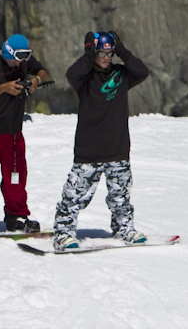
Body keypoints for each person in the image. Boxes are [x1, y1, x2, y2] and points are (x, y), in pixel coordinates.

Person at [51, 31, 151, 251]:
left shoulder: (121, 74)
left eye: (110, 53)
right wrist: (89, 53)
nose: (106, 57)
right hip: (89, 148)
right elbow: (71, 73)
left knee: (121, 195)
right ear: (93, 52)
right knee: (75, 193)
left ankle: (124, 228)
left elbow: (142, 71)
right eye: (102, 53)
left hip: (117, 147)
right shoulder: (84, 78)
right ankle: (63, 232)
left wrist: (122, 50)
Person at [0, 34, 48, 236]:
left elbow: (42, 71)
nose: (20, 63)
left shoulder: (23, 61)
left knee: (16, 175)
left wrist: (36, 80)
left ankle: (16, 215)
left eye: (24, 59)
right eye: (17, 58)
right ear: (8, 52)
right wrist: (3, 88)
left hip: (13, 131)